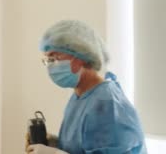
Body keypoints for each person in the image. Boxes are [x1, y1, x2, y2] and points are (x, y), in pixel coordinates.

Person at [26, 20, 147, 154]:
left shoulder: (106, 103)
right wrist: (53, 144)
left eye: (54, 58)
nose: (50, 66)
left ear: (80, 56)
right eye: (47, 60)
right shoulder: (80, 96)